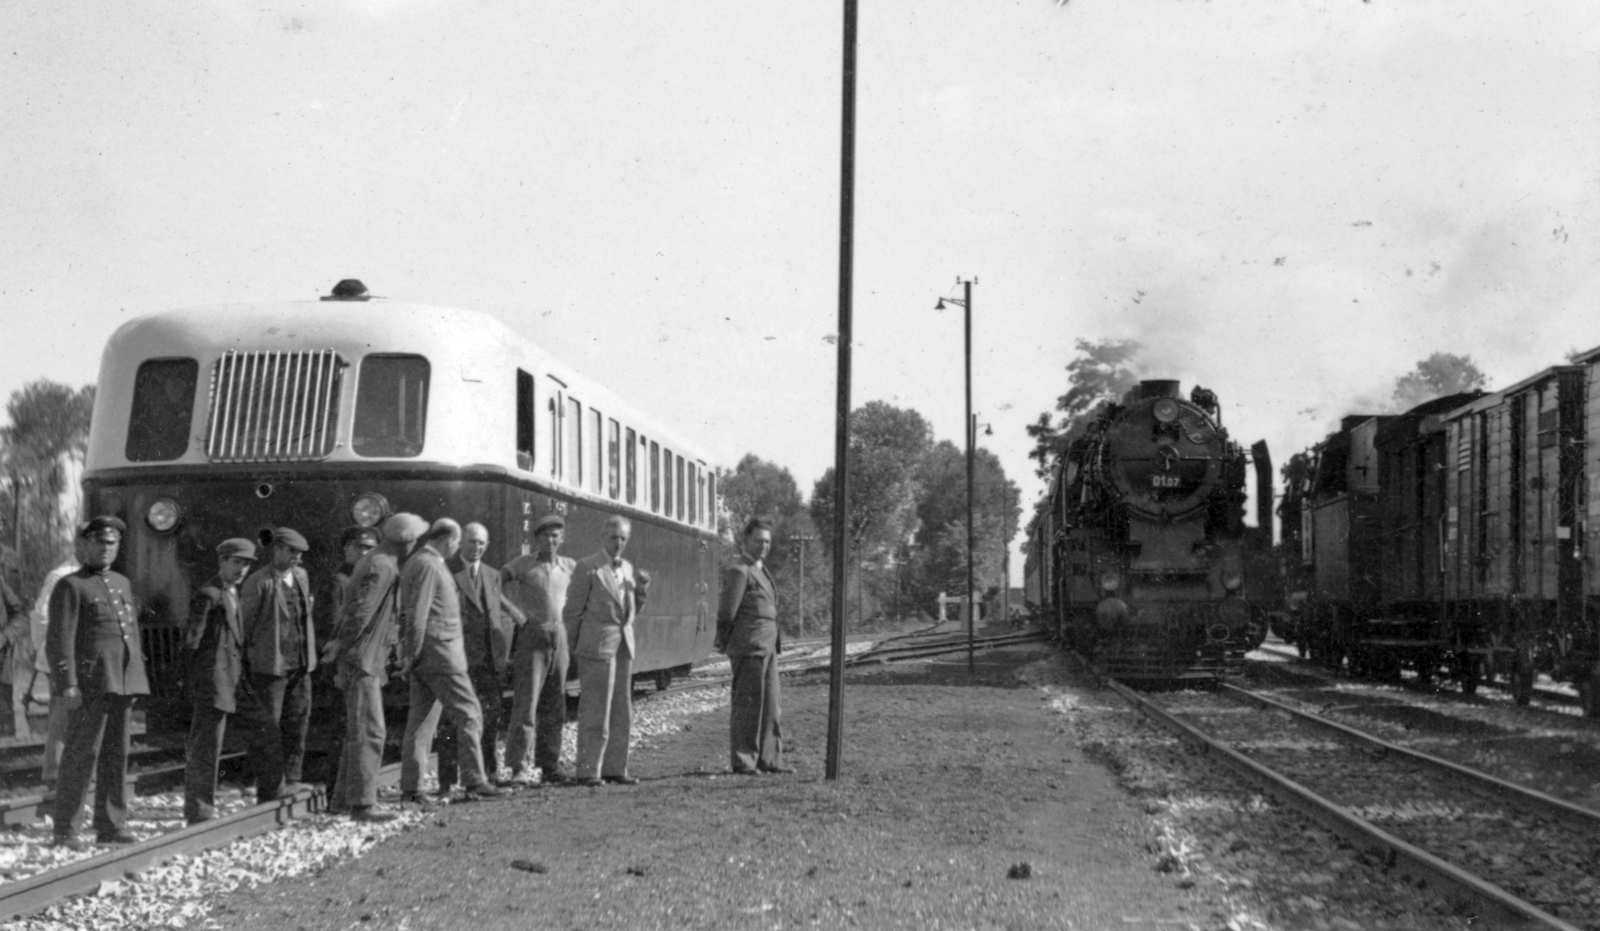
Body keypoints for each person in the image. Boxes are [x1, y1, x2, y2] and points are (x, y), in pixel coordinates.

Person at [48, 516, 148, 849]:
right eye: (100, 542)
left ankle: (110, 825)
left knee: (116, 756)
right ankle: (66, 830)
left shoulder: (121, 582)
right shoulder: (71, 586)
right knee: (81, 756)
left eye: (112, 543)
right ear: (85, 544)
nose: (106, 549)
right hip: (90, 684)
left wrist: (135, 679)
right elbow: (60, 640)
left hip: (121, 681)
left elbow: (129, 635)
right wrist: (68, 684)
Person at [326, 512, 428, 823]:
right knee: (370, 731)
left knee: (359, 730)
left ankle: (343, 800)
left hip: (366, 656)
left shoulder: (377, 561)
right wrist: (344, 645)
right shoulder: (382, 565)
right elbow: (361, 612)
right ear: (407, 542)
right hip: (363, 658)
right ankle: (363, 805)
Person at [396, 518, 504, 803]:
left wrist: (411, 654)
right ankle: (474, 780)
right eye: (457, 543)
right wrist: (413, 652)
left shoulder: (416, 562)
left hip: (426, 656)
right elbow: (418, 614)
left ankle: (412, 788)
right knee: (470, 714)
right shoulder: (430, 565)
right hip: (441, 655)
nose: (457, 549)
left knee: (421, 724)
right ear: (448, 540)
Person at [436, 522, 524, 794]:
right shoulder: (448, 571)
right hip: (458, 657)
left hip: (488, 659)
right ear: (462, 543)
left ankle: (488, 773)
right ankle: (447, 780)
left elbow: (495, 610)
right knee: (452, 720)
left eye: (482, 543)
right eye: (472, 542)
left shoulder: (492, 574)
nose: (477, 548)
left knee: (490, 716)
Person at [563, 515, 650, 787]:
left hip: (623, 646)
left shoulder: (627, 568)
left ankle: (615, 768)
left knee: (622, 709)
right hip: (597, 647)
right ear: (603, 537)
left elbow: (629, 613)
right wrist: (574, 649)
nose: (618, 543)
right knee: (595, 709)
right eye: (614, 537)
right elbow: (572, 613)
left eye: (623, 538)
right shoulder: (587, 568)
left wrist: (642, 592)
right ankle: (588, 771)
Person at [182, 538, 257, 825]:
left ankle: (203, 807)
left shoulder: (232, 593)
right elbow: (191, 643)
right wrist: (199, 683)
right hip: (213, 683)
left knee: (212, 745)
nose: (241, 569)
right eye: (236, 562)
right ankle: (199, 811)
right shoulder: (209, 594)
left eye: (247, 564)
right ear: (222, 562)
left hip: (228, 681)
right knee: (205, 748)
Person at [239, 527, 316, 802]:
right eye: (292, 552)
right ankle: (258, 782)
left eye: (300, 554)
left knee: (297, 722)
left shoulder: (301, 577)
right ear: (278, 551)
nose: (297, 558)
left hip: (300, 664)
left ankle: (292, 778)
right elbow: (245, 627)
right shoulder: (258, 582)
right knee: (267, 726)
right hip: (271, 666)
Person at [500, 513, 575, 785]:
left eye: (556, 535)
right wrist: (515, 613)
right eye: (545, 535)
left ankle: (549, 766)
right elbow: (494, 584)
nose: (551, 540)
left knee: (556, 704)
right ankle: (518, 768)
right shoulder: (523, 564)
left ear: (562, 539)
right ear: (537, 538)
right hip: (533, 634)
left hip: (561, 636)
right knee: (526, 703)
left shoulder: (569, 567)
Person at [716, 518, 792, 775]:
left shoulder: (763, 571)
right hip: (749, 648)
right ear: (745, 541)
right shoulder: (740, 571)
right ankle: (744, 760)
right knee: (748, 707)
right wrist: (731, 645)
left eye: (767, 541)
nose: (764, 546)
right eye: (758, 540)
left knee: (771, 706)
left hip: (769, 647)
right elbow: (727, 614)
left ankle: (770, 760)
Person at [315, 526, 379, 808]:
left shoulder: (366, 578)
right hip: (343, 667)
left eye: (369, 548)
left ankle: (342, 796)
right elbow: (332, 627)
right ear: (347, 550)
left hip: (358, 665)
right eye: (359, 547)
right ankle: (335, 795)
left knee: (353, 731)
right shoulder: (339, 581)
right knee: (343, 731)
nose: (364, 553)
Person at [27, 547, 84, 785]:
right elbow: (41, 617)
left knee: (70, 716)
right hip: (61, 657)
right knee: (62, 715)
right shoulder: (60, 575)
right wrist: (47, 651)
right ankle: (54, 775)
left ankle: (65, 775)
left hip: (77, 657)